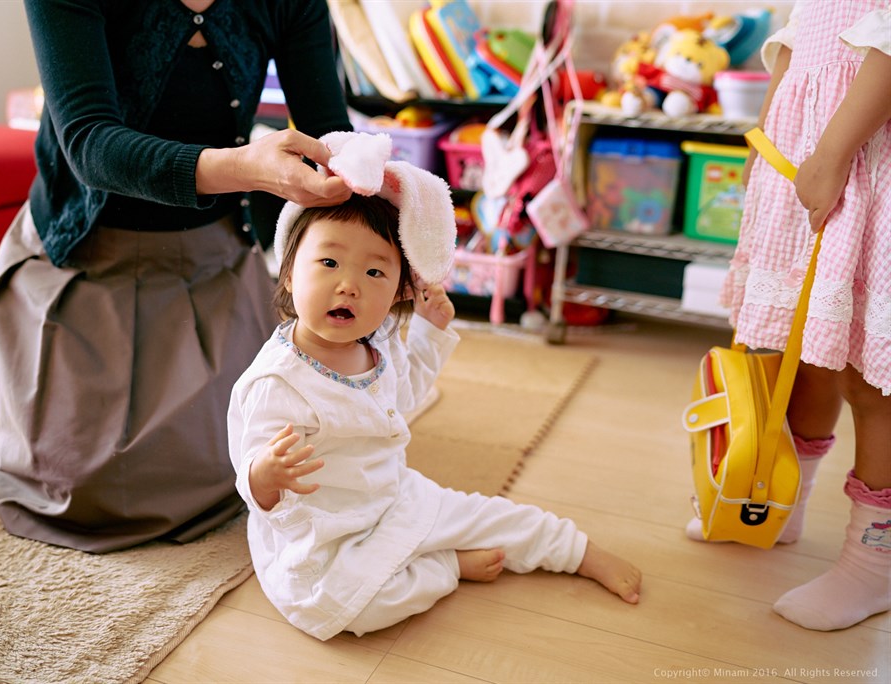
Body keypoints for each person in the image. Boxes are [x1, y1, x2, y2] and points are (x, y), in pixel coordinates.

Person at [0, 0, 354, 553]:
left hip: (211, 252)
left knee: (241, 456)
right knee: (83, 487)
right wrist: (245, 167)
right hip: (89, 252)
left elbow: (332, 135)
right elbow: (89, 143)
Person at [227, 134, 641, 640]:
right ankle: (446, 567)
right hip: (326, 536)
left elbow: (402, 400)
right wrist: (266, 475)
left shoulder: (374, 345)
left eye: (374, 271)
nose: (348, 285)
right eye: (329, 263)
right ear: (290, 273)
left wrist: (428, 328)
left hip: (395, 497)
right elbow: (252, 480)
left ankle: (579, 552)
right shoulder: (277, 382)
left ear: (400, 290)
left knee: (493, 514)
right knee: (332, 611)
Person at [690, 0, 890, 631]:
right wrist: (768, 130)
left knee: (870, 373)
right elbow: (801, 34)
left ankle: (873, 563)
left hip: (866, 153)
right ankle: (779, 501)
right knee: (804, 346)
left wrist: (832, 155)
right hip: (810, 148)